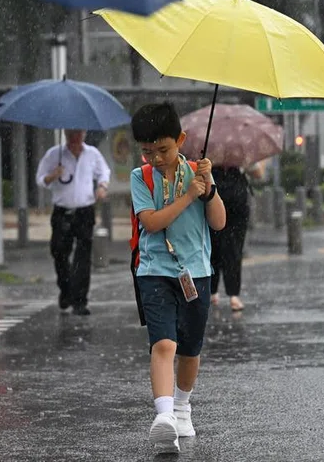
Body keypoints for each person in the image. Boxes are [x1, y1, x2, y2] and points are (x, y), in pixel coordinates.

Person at [129, 103, 225, 453]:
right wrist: (188, 196)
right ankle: (164, 415)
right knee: (163, 344)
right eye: (147, 151)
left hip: (195, 272)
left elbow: (219, 222)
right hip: (154, 271)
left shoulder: (198, 173)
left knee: (189, 347)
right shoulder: (141, 177)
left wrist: (208, 188)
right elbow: (151, 223)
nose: (155, 158)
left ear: (180, 140)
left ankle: (182, 407)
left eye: (163, 150)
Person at [35, 129, 111, 316]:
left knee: (83, 256)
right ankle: (66, 288)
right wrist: (52, 175)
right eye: (71, 135)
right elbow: (40, 179)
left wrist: (102, 186)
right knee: (59, 251)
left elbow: (104, 172)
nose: (75, 139)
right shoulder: (54, 154)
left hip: (85, 210)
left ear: (84, 134)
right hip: (62, 211)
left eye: (78, 134)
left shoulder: (92, 154)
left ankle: (80, 300)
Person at [209, 164, 255, 311]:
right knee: (231, 249)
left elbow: (258, 171)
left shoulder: (209, 153)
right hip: (233, 197)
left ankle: (214, 291)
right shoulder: (242, 153)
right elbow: (257, 172)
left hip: (220, 196)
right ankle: (232, 294)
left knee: (215, 246)